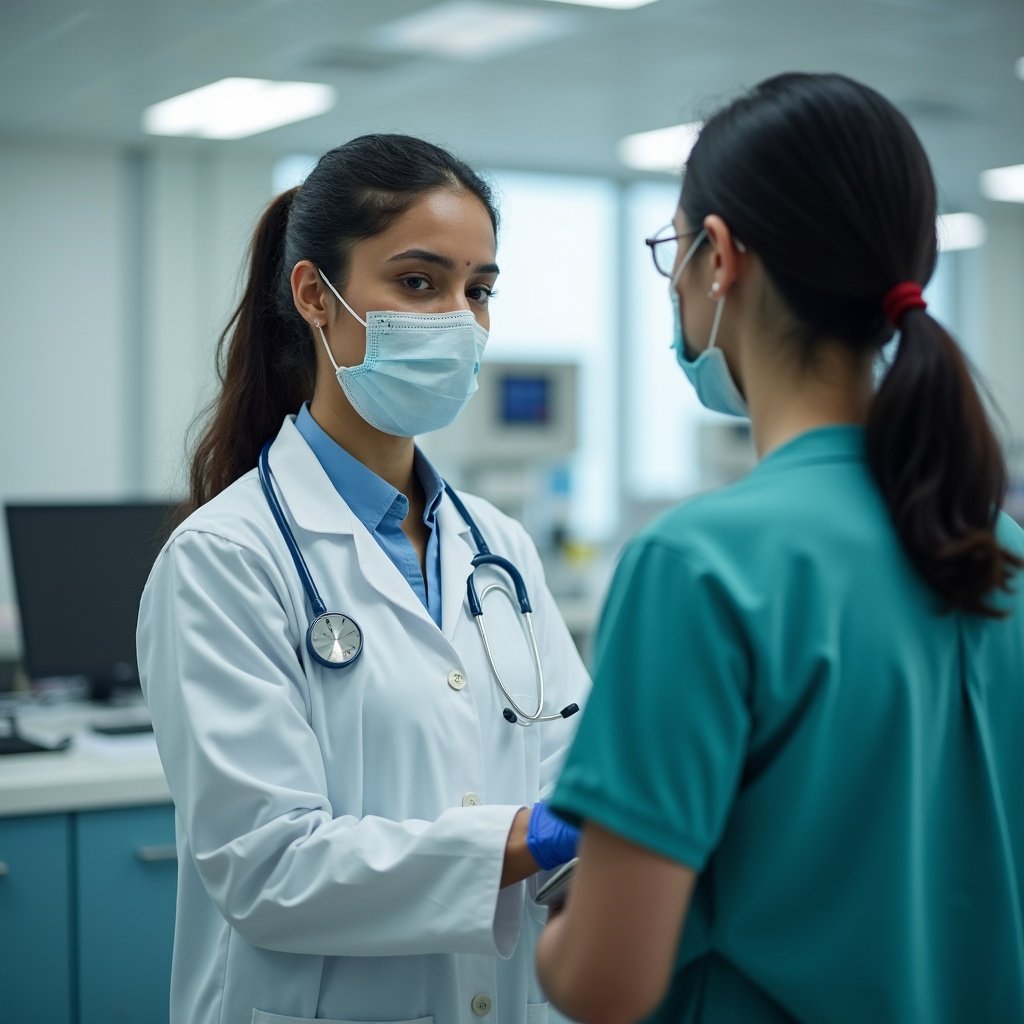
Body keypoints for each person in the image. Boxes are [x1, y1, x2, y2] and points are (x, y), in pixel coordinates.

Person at [535, 72, 1024, 1023]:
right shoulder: (1001, 552)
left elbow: (607, 983)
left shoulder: (699, 567)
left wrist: (563, 920)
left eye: (670, 252)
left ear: (718, 257)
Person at [137, 133, 589, 1024]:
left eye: (479, 290)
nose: (458, 318)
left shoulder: (498, 550)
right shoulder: (225, 560)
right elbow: (269, 868)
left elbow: (572, 790)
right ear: (316, 295)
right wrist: (529, 837)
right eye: (419, 283)